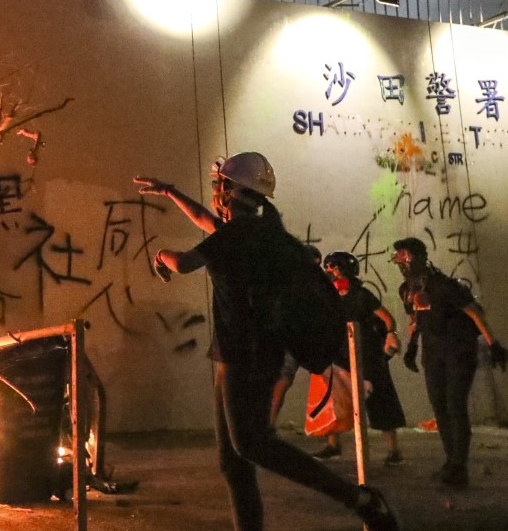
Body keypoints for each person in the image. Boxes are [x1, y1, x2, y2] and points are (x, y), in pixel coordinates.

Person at [134, 153, 398, 531]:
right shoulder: (261, 233)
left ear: (234, 191)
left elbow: (185, 262)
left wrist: (159, 254)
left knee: (251, 445)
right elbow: (206, 223)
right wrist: (172, 192)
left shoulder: (239, 236)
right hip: (241, 354)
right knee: (233, 461)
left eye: (220, 185)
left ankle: (361, 501)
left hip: (249, 356)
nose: (215, 192)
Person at [392, 237, 508, 489]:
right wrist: (412, 347)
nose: (401, 261)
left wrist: (493, 344)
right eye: (398, 256)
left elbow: (473, 314)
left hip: (459, 351)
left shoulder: (444, 285)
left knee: (455, 406)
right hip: (433, 354)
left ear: (419, 256)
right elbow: (415, 320)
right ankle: (451, 462)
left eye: (405, 255)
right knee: (440, 407)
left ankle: (459, 466)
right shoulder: (406, 290)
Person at [311, 251, 406, 466]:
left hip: (368, 355)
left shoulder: (362, 295)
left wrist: (391, 335)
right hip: (340, 355)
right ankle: (333, 446)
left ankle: (394, 450)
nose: (330, 273)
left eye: (334, 268)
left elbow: (387, 318)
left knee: (381, 400)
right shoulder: (328, 296)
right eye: (328, 268)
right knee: (334, 400)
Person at [268, 244, 321, 427]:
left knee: (281, 381)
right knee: (281, 381)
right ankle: (268, 425)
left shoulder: (287, 279)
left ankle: (268, 425)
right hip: (288, 336)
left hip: (289, 337)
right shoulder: (301, 282)